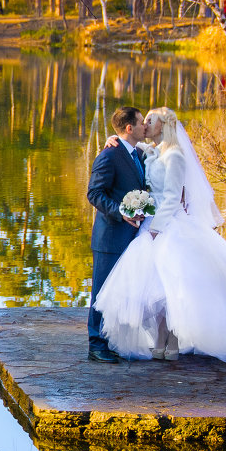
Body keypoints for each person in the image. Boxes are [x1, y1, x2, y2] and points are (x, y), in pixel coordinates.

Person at [94, 107, 226, 362]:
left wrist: (156, 228)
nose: (144, 125)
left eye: (149, 121)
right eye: (142, 121)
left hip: (168, 226)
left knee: (175, 285)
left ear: (162, 126)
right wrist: (109, 140)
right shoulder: (152, 152)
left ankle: (174, 342)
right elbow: (127, 149)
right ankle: (159, 342)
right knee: (154, 288)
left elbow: (171, 198)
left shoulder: (175, 156)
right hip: (150, 224)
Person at [86, 107, 149, 364]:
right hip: (110, 237)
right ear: (129, 128)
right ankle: (96, 344)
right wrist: (120, 211)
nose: (145, 126)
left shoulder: (139, 154)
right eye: (141, 123)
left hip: (132, 237)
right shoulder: (109, 155)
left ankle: (111, 340)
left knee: (119, 292)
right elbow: (94, 193)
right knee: (101, 292)